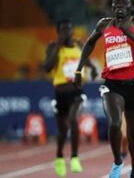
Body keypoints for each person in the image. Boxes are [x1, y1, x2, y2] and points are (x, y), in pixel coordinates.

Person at [74, 0, 134, 178]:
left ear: (131, 7)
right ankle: (118, 161)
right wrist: (79, 69)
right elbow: (89, 43)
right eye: (116, 3)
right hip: (112, 85)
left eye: (124, 3)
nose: (119, 6)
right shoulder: (104, 24)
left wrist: (128, 33)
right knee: (115, 123)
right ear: (111, 7)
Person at [43, 19, 97, 177]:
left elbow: (85, 59)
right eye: (64, 30)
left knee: (73, 119)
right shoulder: (53, 47)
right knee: (62, 131)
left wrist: (92, 68)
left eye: (69, 30)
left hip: (77, 91)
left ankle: (74, 156)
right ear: (58, 32)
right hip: (60, 93)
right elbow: (47, 67)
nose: (67, 33)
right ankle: (59, 157)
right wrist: (58, 46)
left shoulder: (78, 45)